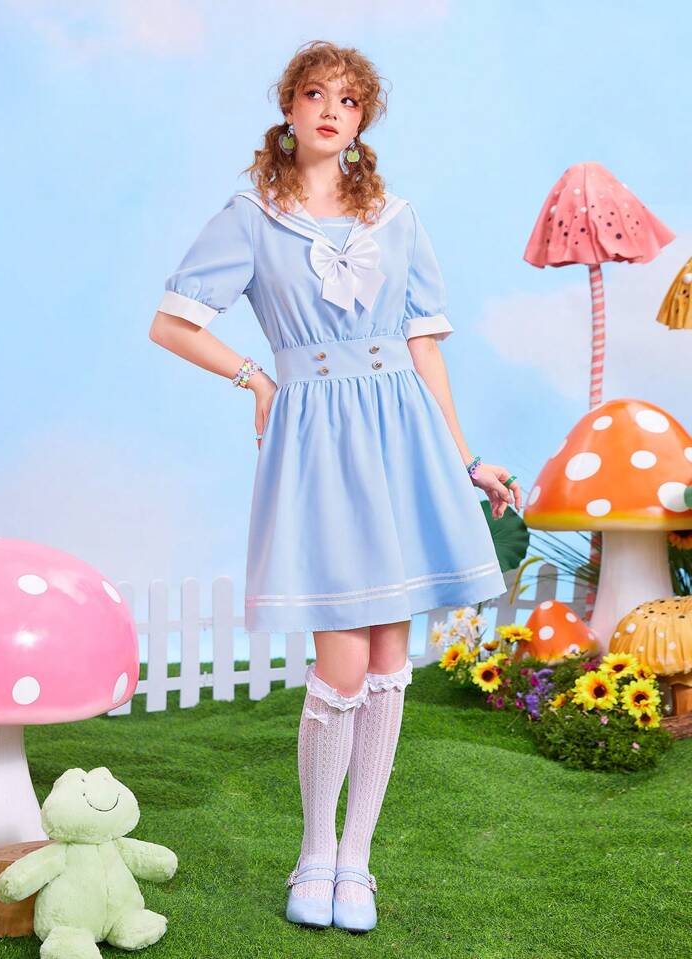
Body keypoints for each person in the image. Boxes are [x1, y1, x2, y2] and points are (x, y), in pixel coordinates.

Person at [149, 40, 521, 934]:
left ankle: (357, 859)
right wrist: (256, 378)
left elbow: (424, 345)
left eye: (348, 101)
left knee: (391, 657)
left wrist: (464, 458)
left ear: (362, 121)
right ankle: (314, 851)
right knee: (342, 657)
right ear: (289, 109)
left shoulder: (396, 217)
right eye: (315, 94)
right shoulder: (252, 217)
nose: (330, 110)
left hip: (404, 436)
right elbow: (172, 323)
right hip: (318, 440)